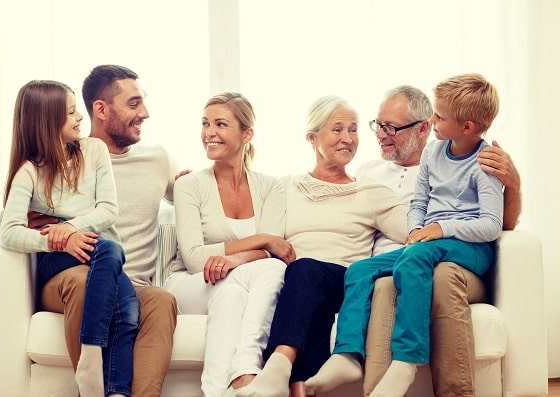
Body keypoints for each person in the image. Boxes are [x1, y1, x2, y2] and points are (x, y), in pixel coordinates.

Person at [308, 73, 506, 397]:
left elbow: (490, 225)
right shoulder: (433, 154)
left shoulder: (483, 164)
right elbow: (420, 202)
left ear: (467, 127)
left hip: (469, 247)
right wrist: (416, 229)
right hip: (427, 243)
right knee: (360, 270)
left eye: (439, 117)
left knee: (415, 258)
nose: (433, 120)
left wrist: (441, 229)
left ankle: (407, 360)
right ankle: (346, 354)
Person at [233, 95, 409, 397]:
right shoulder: (284, 186)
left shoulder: (370, 191)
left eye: (353, 130)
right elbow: (257, 228)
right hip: (297, 285)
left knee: (305, 270)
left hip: (345, 281)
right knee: (305, 291)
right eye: (337, 129)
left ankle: (278, 365)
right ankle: (301, 390)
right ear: (313, 138)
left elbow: (415, 231)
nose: (348, 138)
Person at [25, 65, 179, 397]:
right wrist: (61, 231)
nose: (145, 113)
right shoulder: (62, 159)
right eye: (134, 104)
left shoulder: (159, 160)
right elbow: (13, 216)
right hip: (74, 278)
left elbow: (195, 197)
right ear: (101, 109)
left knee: (162, 299)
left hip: (132, 286)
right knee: (83, 281)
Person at [0, 80, 137, 397]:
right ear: (47, 122)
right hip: (59, 259)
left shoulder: (94, 150)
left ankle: (115, 391)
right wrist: (58, 240)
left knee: (127, 307)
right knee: (112, 248)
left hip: (96, 254)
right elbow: (8, 231)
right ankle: (89, 352)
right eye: (72, 112)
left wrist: (71, 227)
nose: (80, 118)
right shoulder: (29, 172)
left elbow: (108, 210)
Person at [162, 92, 295, 397]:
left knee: (234, 291)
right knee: (267, 270)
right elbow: (195, 258)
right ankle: (246, 367)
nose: (209, 132)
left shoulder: (270, 186)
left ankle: (218, 391)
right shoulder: (189, 185)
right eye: (205, 123)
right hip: (189, 284)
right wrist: (261, 239)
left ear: (246, 134)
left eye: (221, 124)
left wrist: (235, 259)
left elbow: (274, 252)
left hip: (233, 282)